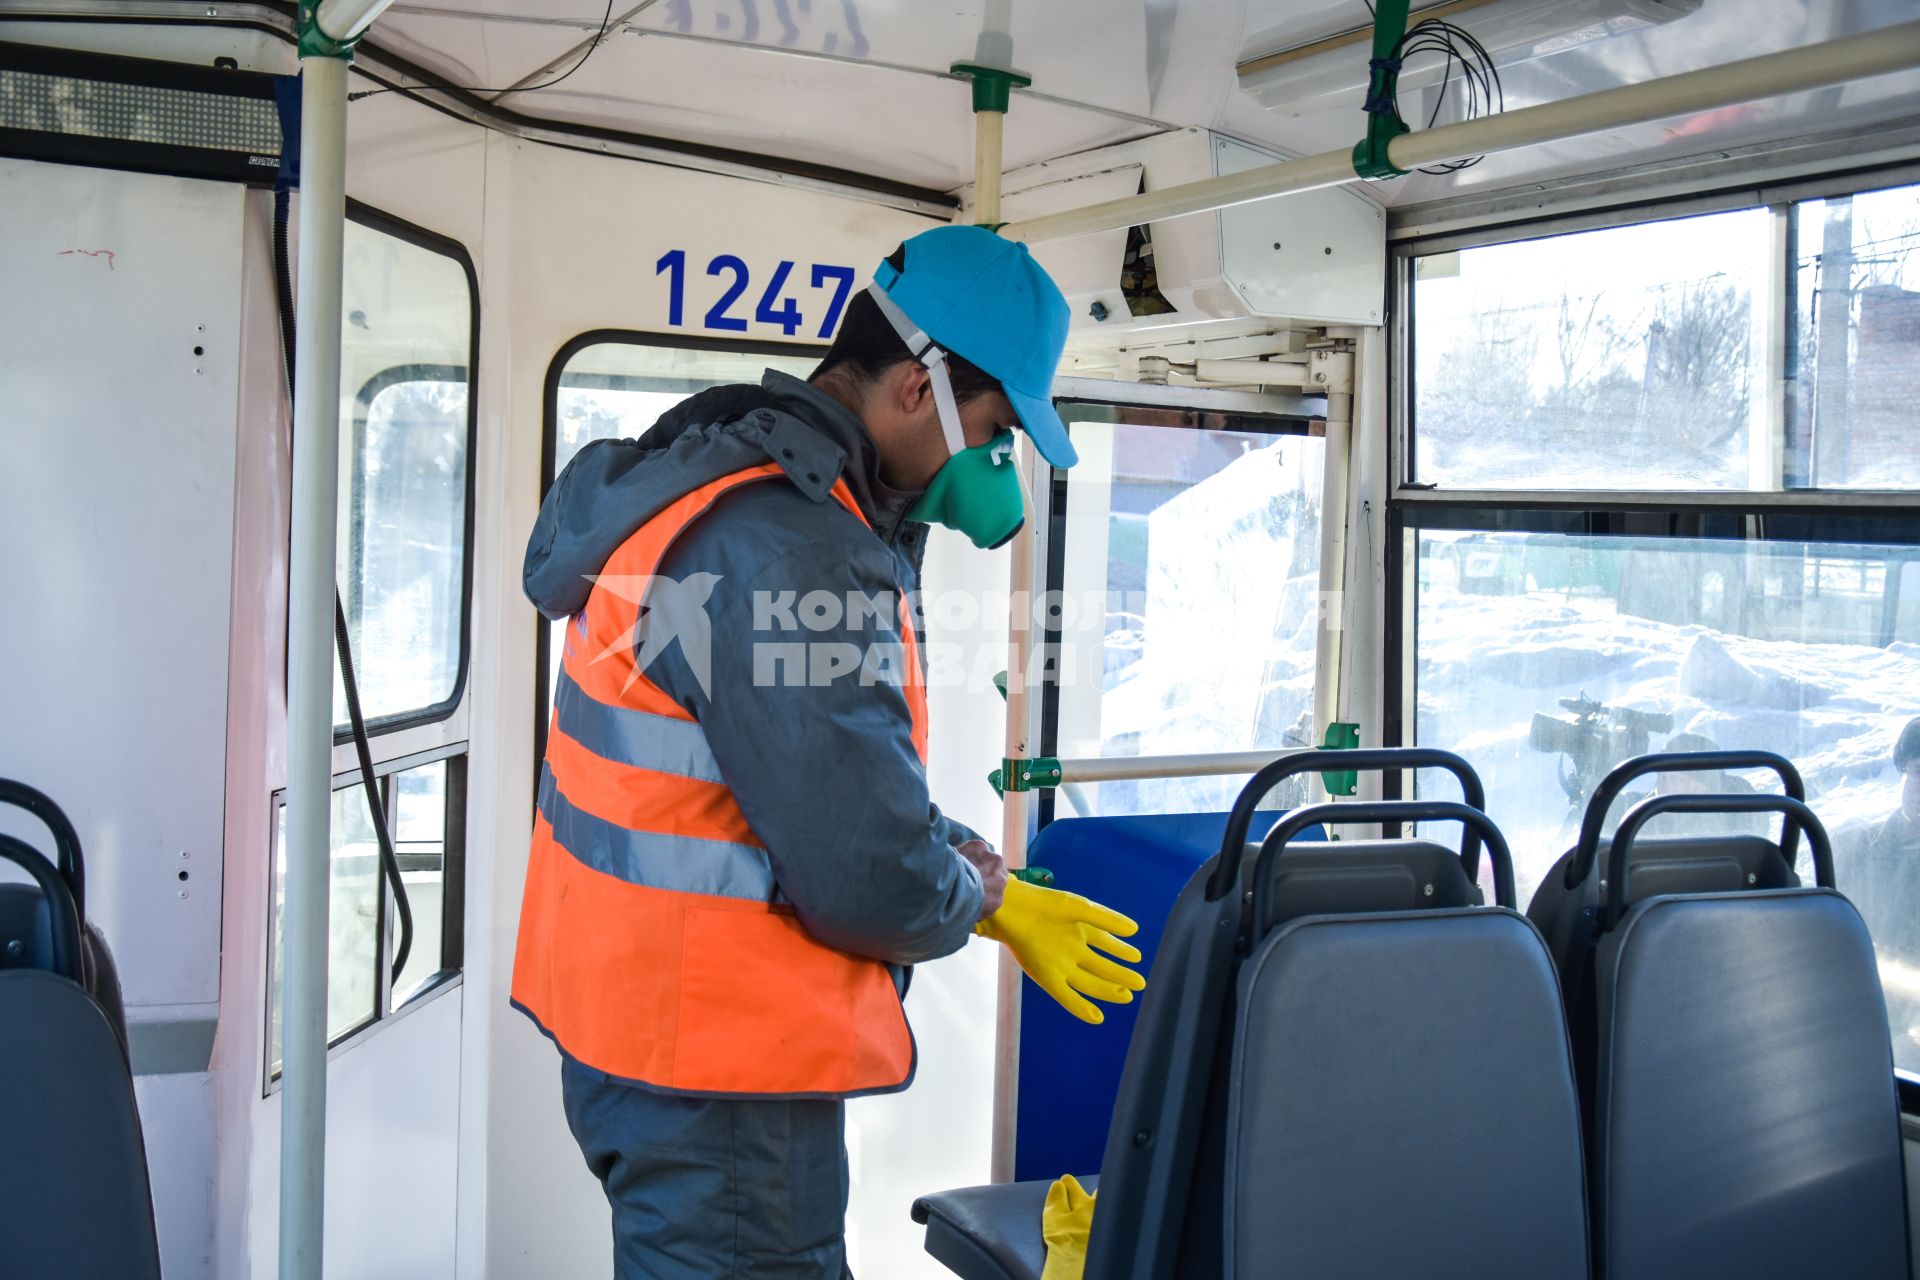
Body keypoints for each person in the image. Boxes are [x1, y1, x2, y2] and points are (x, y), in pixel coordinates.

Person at [510, 225, 1141, 1279]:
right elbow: (861, 872)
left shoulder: (717, 488)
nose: (991, 468)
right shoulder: (793, 544)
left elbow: (800, 781)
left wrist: (982, 875)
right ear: (914, 388)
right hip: (720, 1083)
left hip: (645, 1043)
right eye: (991, 432)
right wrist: (987, 904)